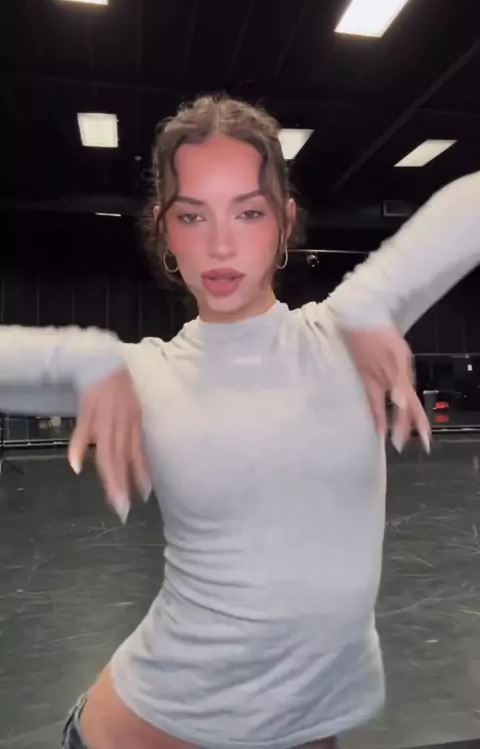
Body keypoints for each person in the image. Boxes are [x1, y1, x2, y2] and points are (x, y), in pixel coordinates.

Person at [0, 97, 478, 749]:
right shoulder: (144, 375)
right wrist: (80, 358)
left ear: (284, 224)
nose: (220, 244)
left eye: (249, 213)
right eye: (192, 216)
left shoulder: (343, 334)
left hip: (310, 730)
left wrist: (372, 300)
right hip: (147, 725)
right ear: (166, 233)